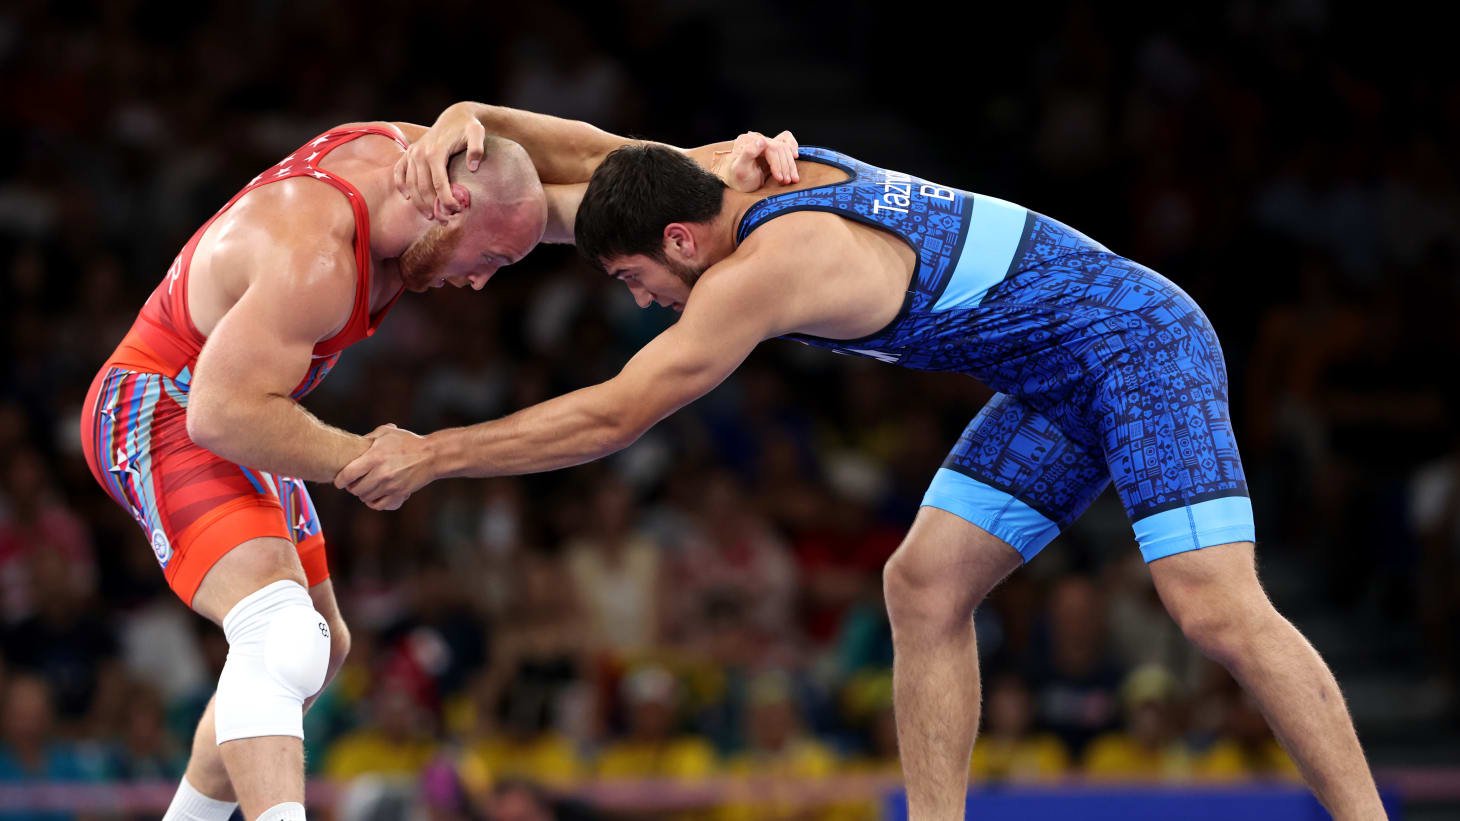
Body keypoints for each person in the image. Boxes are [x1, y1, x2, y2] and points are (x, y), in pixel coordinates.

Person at [339, 103, 1385, 820]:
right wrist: (460, 120)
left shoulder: (763, 268)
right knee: (921, 585)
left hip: (1138, 340)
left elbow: (615, 414)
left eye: (632, 279)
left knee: (1210, 606)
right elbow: (587, 154)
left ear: (682, 243)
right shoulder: (712, 176)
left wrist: (434, 453)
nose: (639, 299)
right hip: (1052, 378)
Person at [78, 103, 786, 821]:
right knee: (281, 633)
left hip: (233, 396)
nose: (478, 284)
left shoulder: (429, 168)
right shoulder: (314, 253)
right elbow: (218, 415)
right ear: (448, 210)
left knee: (318, 651)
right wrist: (367, 457)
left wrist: (719, 168)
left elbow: (595, 174)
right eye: (488, 260)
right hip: (162, 405)